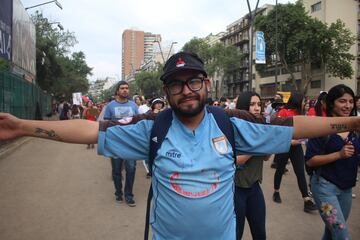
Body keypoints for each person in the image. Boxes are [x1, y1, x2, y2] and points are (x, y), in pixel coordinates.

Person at [1, 52, 360, 240]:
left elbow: (294, 125)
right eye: (176, 84)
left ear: (205, 84)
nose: (186, 90)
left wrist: (353, 122)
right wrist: (22, 127)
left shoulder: (231, 123)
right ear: (167, 92)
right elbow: (92, 131)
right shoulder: (151, 128)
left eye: (193, 82)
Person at [305, 84, 359, 240]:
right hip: (324, 189)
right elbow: (310, 161)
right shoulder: (321, 127)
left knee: (331, 233)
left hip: (346, 189)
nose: (348, 105)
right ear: (331, 103)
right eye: (342, 101)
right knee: (341, 235)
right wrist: (339, 154)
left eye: (350, 101)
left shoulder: (356, 128)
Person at [272, 92, 317, 213]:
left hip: (296, 147)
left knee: (300, 172)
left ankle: (306, 200)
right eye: (304, 102)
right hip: (284, 146)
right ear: (297, 101)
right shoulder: (283, 112)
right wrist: (289, 140)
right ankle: (276, 192)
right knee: (280, 170)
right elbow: (276, 131)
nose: (305, 104)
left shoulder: (301, 114)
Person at [234, 91, 270, 240]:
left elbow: (266, 158)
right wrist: (257, 146)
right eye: (252, 104)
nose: (257, 108)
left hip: (254, 187)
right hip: (235, 189)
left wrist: (270, 142)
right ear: (243, 106)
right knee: (236, 234)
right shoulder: (233, 128)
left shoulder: (260, 126)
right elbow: (234, 160)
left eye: (259, 104)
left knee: (260, 233)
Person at [104, 81, 139, 207]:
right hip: (116, 143)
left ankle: (129, 195)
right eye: (122, 88)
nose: (125, 90)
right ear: (117, 91)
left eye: (127, 88)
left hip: (131, 143)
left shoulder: (134, 106)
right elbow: (106, 123)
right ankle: (118, 192)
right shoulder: (110, 106)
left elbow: (138, 123)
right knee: (116, 170)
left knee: (131, 169)